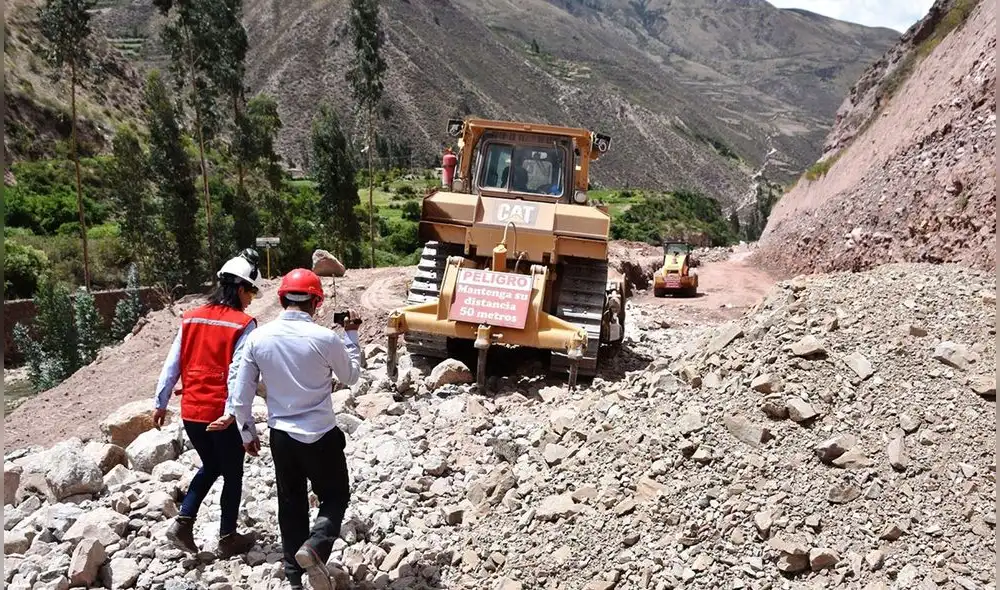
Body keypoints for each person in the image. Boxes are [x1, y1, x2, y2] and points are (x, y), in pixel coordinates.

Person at [230, 268, 362, 590]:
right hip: (322, 434)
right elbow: (351, 377)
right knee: (335, 495)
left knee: (291, 503)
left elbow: (240, 395)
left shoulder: (258, 338)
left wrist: (247, 433)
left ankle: (293, 576)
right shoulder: (326, 338)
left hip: (282, 437)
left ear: (281, 298)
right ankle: (315, 547)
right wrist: (352, 336)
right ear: (317, 302)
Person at [152, 254, 261, 558]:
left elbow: (172, 362)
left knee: (212, 466)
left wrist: (160, 402)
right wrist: (241, 424)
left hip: (191, 412)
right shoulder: (243, 324)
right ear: (240, 288)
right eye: (251, 291)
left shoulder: (190, 318)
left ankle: (183, 524)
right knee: (233, 474)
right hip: (221, 416)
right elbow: (239, 375)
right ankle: (228, 538)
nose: (251, 299)